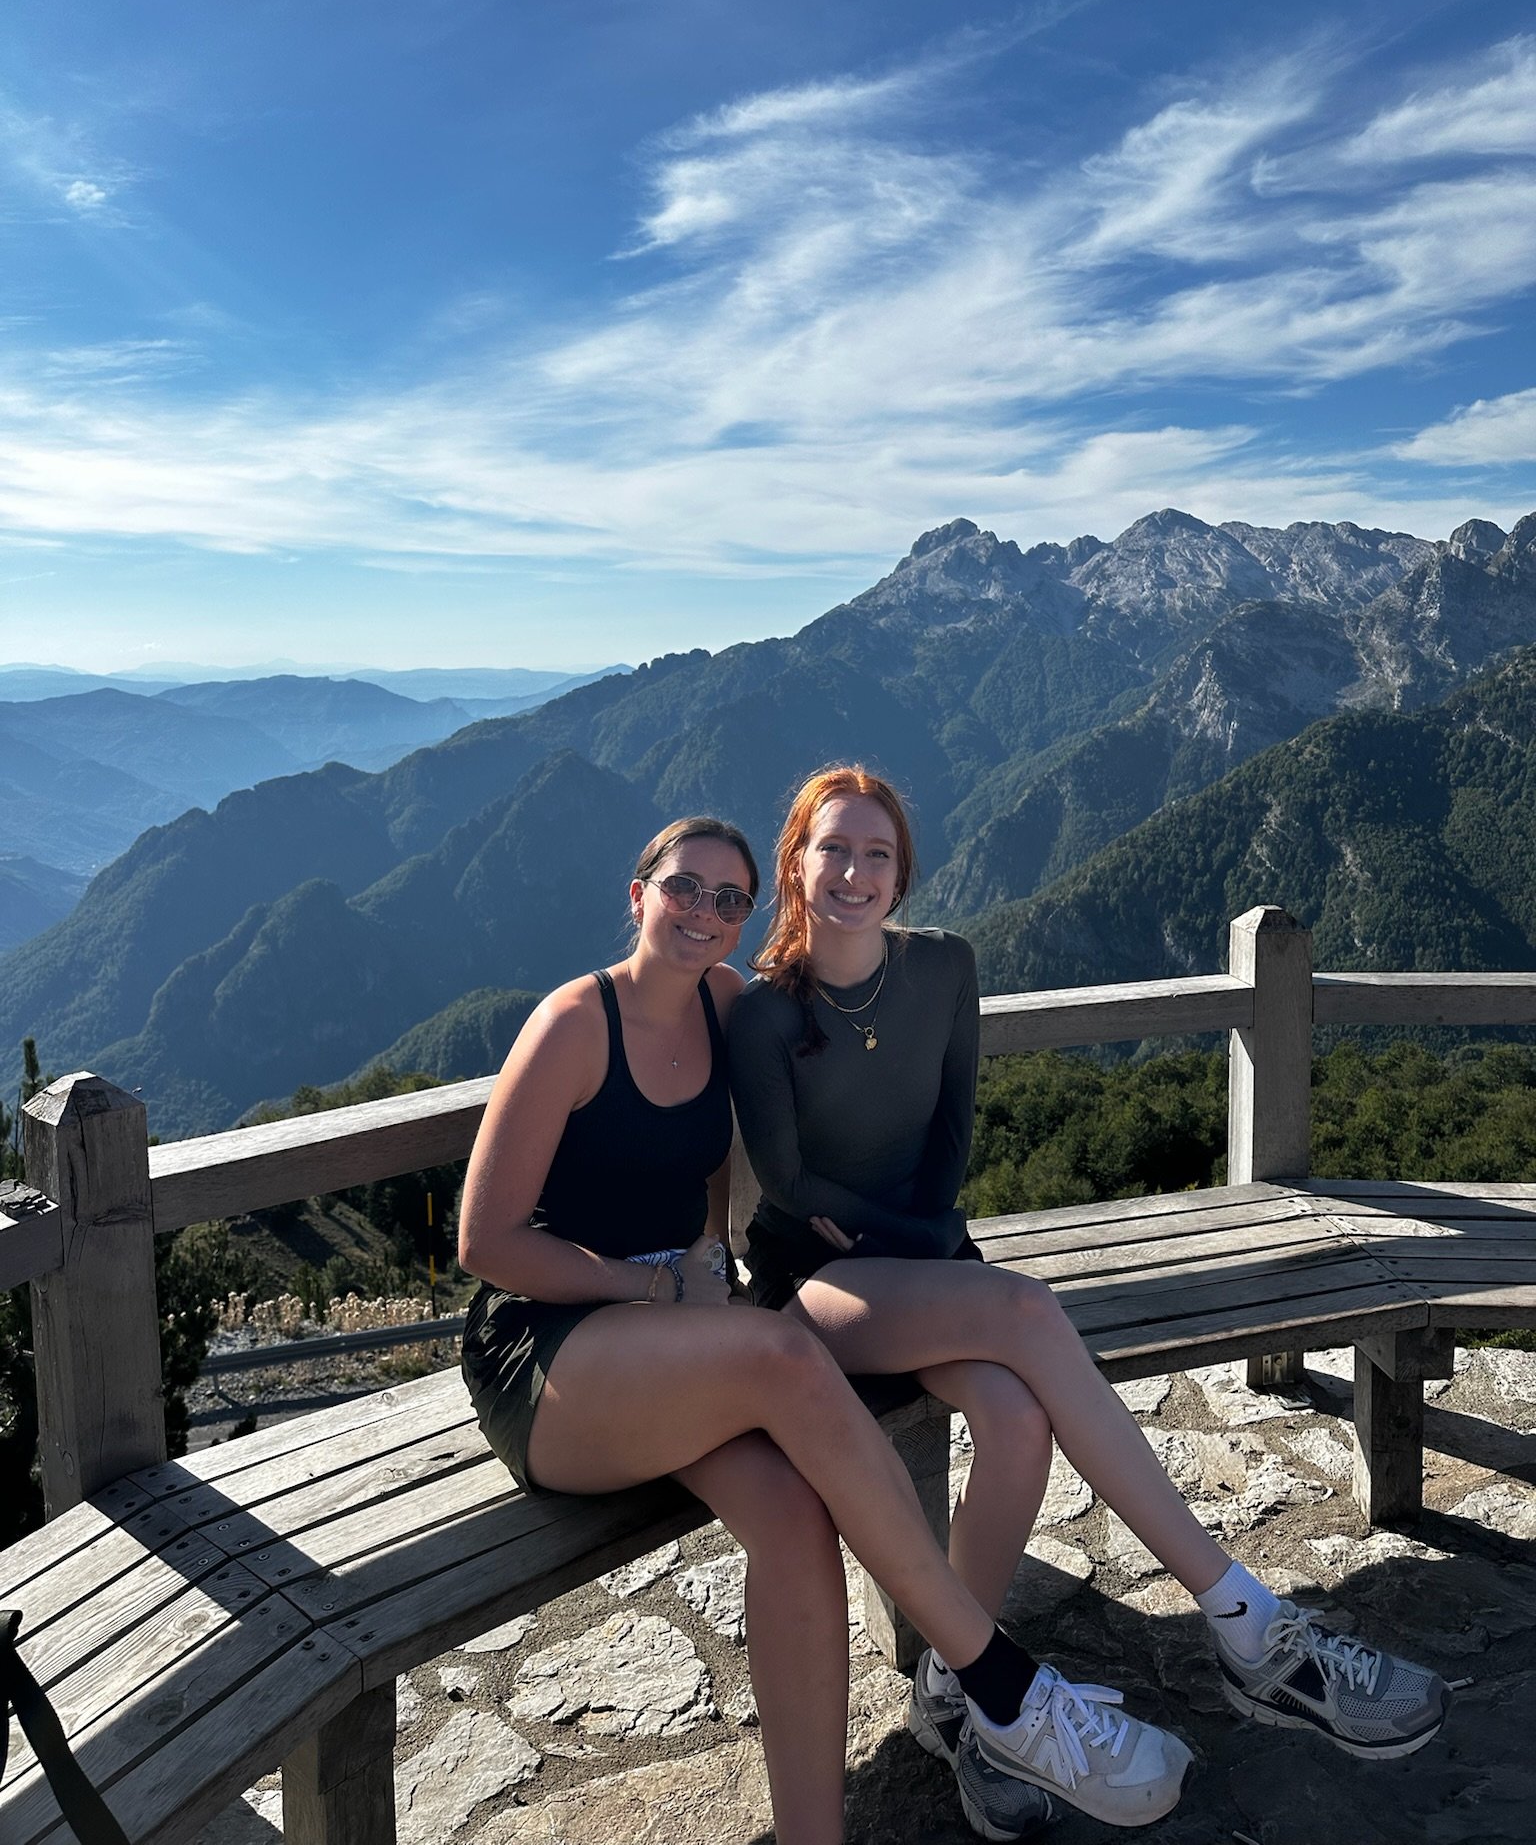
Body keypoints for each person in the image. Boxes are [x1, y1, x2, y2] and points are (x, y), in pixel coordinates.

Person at [728, 765, 1450, 1830]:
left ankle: (955, 1687)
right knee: (1024, 1311)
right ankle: (1244, 1619)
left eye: (876, 852)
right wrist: (931, 1254)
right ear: (795, 861)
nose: (853, 871)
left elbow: (950, 1143)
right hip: (815, 1289)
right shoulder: (763, 1012)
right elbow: (789, 1188)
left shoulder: (943, 968)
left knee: (1018, 1420)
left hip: (925, 1256)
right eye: (832, 847)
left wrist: (930, 1247)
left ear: (902, 873)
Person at [458, 815, 1193, 1845]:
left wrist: (706, 1252)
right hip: (549, 1351)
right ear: (637, 893)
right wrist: (648, 1283)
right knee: (783, 1352)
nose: (704, 912)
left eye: (727, 897)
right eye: (683, 887)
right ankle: (1002, 1685)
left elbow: (714, 1154)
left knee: (798, 1519)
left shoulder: (726, 1006)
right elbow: (484, 1239)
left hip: (672, 1339)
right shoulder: (577, 1021)